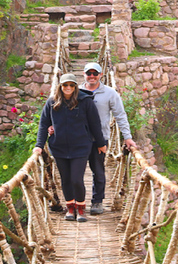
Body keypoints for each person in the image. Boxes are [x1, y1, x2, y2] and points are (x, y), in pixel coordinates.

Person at [34, 73, 106, 222]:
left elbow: (95, 124)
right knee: (66, 179)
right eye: (65, 85)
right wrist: (39, 146)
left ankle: (81, 209)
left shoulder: (85, 102)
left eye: (71, 85)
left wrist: (100, 143)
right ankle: (70, 208)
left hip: (80, 147)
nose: (68, 88)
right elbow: (43, 125)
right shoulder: (52, 102)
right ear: (60, 86)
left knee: (76, 179)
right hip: (59, 147)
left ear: (75, 87)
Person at [80, 62, 137, 215]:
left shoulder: (110, 93)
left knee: (98, 170)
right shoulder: (75, 91)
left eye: (95, 73)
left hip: (99, 139)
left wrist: (128, 137)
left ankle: (97, 201)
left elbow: (120, 115)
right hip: (78, 139)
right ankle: (77, 203)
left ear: (101, 75)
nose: (92, 76)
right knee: (75, 172)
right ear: (84, 74)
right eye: (89, 73)